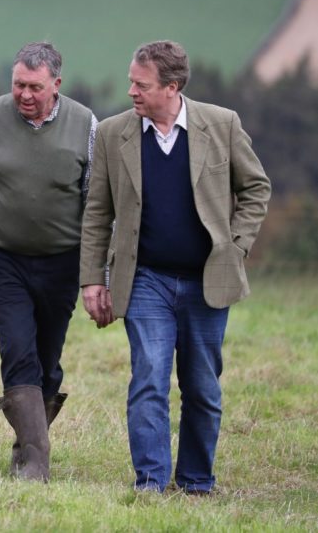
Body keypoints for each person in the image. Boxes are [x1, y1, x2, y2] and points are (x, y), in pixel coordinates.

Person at [80, 40, 271, 494]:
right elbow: (96, 211)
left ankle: (195, 482)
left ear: (172, 87)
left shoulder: (221, 125)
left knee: (202, 388)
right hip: (145, 278)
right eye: (130, 81)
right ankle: (149, 482)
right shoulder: (112, 133)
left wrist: (235, 246)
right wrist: (92, 279)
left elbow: (256, 189)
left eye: (141, 84)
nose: (131, 91)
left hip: (209, 279)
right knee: (148, 376)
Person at [0, 42, 97, 482]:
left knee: (48, 360)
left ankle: (27, 445)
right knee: (18, 348)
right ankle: (34, 464)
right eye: (18, 85)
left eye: (35, 87)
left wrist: (96, 268)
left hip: (62, 261)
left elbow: (96, 201)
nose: (24, 95)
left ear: (56, 85)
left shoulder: (85, 124)